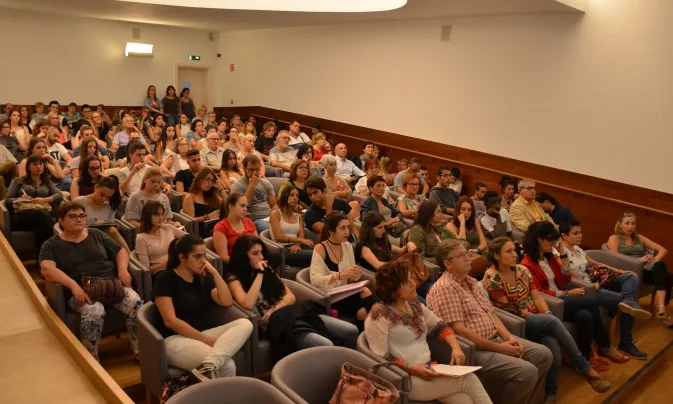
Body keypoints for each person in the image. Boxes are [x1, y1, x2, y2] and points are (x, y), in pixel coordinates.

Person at [426, 238, 553, 404]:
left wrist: (509, 337)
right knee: (527, 372)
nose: (468, 258)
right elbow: (460, 331)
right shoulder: (445, 288)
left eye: (467, 254)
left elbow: (492, 313)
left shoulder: (470, 281)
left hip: (496, 339)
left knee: (543, 355)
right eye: (461, 255)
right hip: (475, 349)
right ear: (448, 264)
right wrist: (501, 348)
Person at [483, 237, 610, 398]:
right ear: (496, 256)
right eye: (509, 251)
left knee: (553, 348)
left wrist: (546, 312)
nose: (515, 254)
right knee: (551, 321)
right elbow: (509, 308)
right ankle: (586, 368)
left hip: (537, 318)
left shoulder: (522, 270)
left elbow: (536, 296)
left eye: (514, 250)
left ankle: (551, 393)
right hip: (517, 321)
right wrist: (540, 317)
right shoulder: (492, 277)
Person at [366, 260, 492, 404]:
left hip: (429, 370)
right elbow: (380, 357)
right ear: (393, 289)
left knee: (464, 400)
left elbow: (440, 326)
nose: (414, 283)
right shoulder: (379, 315)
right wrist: (412, 368)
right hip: (403, 379)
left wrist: (456, 348)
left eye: (411, 278)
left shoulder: (414, 305)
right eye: (407, 282)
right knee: (469, 379)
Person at [39, 201, 143, 361]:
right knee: (95, 311)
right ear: (61, 220)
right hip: (82, 291)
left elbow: (120, 251)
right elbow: (47, 269)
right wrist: (73, 285)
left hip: (111, 286)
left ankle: (140, 352)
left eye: (82, 216)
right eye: (73, 216)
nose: (79, 219)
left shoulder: (95, 234)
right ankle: (91, 359)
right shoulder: (51, 244)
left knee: (135, 302)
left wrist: (122, 269)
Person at [521, 221, 630, 370]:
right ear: (539, 240)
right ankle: (605, 345)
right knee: (591, 302)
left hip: (564, 298)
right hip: (552, 302)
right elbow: (538, 292)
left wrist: (563, 254)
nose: (553, 244)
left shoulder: (549, 257)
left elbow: (565, 277)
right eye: (550, 241)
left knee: (586, 315)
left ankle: (586, 358)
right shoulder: (527, 263)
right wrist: (566, 293)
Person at [226, 235, 358, 356]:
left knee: (350, 330)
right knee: (325, 344)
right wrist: (259, 274)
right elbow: (247, 303)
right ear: (243, 256)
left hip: (291, 313)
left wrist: (275, 308)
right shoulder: (235, 279)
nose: (261, 257)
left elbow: (290, 297)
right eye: (255, 253)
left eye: (261, 252)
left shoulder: (268, 269)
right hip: (278, 326)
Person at [152, 233, 252, 381]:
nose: (203, 261)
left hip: (203, 332)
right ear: (182, 258)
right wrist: (205, 339)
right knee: (227, 365)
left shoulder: (202, 278)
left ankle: (209, 365)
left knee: (245, 323)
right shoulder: (165, 278)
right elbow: (170, 321)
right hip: (174, 339)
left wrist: (215, 272)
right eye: (198, 257)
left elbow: (226, 301)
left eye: (204, 256)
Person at [561, 220, 651, 356]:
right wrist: (590, 284)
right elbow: (569, 275)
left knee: (630, 277)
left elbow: (596, 263)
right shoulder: (560, 253)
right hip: (587, 288)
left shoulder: (578, 249)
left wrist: (619, 271)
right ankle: (626, 342)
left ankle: (629, 303)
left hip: (597, 281)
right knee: (625, 300)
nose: (580, 236)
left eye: (580, 232)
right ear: (564, 236)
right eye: (575, 233)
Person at [310, 212, 377, 329]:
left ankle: (376, 327)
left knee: (366, 291)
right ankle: (371, 333)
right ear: (331, 231)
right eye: (342, 228)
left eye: (348, 227)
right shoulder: (320, 248)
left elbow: (350, 279)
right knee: (362, 312)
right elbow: (315, 280)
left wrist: (354, 276)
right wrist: (341, 275)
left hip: (346, 291)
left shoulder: (347, 246)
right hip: (330, 295)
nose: (347, 232)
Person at [608, 212, 672, 326]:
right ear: (620, 224)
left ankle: (660, 305)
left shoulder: (639, 238)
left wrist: (654, 259)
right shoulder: (614, 239)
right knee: (666, 276)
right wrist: (639, 260)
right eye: (627, 223)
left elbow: (663, 250)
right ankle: (661, 308)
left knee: (663, 269)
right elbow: (615, 260)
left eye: (633, 224)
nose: (630, 226)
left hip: (646, 269)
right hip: (630, 270)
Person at [6, 153, 62, 255]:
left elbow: (59, 195)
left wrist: (44, 200)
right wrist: (20, 199)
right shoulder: (18, 181)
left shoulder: (47, 182)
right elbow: (7, 200)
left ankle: (42, 261)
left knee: (41, 229)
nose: (39, 167)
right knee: (39, 214)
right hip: (21, 216)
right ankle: (58, 243)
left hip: (43, 217)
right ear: (28, 166)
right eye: (35, 164)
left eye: (41, 164)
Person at [75, 176, 129, 251]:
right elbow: (72, 226)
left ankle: (125, 254)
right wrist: (93, 226)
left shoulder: (110, 206)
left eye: (108, 197)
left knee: (111, 230)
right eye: (102, 195)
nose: (104, 200)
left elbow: (110, 227)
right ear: (96, 187)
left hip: (103, 241)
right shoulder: (80, 202)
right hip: (83, 238)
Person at [269, 186, 315, 267]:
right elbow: (278, 237)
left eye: (297, 196)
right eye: (292, 195)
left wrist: (298, 244)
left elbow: (301, 235)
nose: (295, 198)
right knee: (316, 255)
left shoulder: (299, 216)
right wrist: (300, 240)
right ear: (285, 196)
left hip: (297, 246)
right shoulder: (275, 214)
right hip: (283, 248)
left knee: (321, 250)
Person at [136, 200, 187, 273]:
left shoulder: (168, 228)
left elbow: (190, 239)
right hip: (162, 272)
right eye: (157, 214)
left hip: (178, 265)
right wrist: (169, 263)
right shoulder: (141, 238)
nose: (161, 218)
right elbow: (146, 270)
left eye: (162, 214)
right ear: (147, 216)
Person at [231, 155, 276, 232]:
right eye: (251, 170)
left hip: (269, 216)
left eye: (257, 169)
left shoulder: (265, 182)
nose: (255, 173)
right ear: (244, 169)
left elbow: (274, 204)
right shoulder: (237, 185)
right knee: (272, 229)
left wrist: (274, 216)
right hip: (254, 219)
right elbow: (242, 206)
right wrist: (252, 185)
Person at [447, 196, 488, 277]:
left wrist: (477, 249)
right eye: (463, 209)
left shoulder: (475, 221)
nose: (466, 212)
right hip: (464, 258)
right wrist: (462, 222)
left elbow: (484, 243)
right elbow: (462, 244)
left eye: (469, 210)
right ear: (458, 210)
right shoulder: (451, 225)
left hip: (478, 253)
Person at [213, 193, 258, 264]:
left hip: (253, 259)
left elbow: (257, 244)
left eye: (246, 206)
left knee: (274, 257)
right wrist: (247, 262)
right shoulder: (221, 227)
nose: (245, 209)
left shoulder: (248, 221)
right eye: (242, 206)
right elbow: (224, 257)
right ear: (231, 206)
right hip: (235, 264)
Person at [183, 168, 224, 238]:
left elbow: (230, 206)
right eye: (207, 179)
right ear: (199, 179)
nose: (210, 183)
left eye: (212, 181)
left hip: (218, 229)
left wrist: (221, 189)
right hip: (201, 232)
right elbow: (190, 222)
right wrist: (207, 217)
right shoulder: (190, 198)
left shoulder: (213, 197)